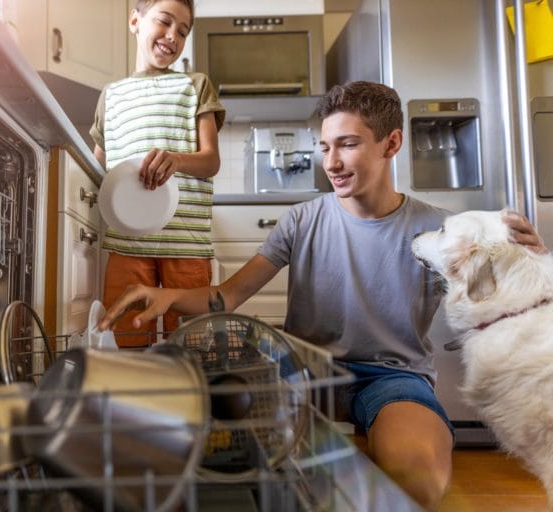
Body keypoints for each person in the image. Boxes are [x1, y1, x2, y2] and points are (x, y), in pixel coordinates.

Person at [98, 81, 548, 510]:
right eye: (325, 147)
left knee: (419, 483)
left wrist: (532, 262)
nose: (331, 162)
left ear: (391, 144)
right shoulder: (302, 220)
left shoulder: (443, 232)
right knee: (226, 457)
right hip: (302, 369)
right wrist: (164, 295)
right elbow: (226, 297)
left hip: (391, 377)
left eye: (348, 144)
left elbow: (513, 303)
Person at [89, 0, 225, 347]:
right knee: (127, 339)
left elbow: (210, 161)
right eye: (164, 22)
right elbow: (95, 168)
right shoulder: (112, 95)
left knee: (192, 344)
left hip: (186, 242)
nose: (172, 36)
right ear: (135, 21)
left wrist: (176, 161)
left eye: (182, 30)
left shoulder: (194, 86)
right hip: (127, 241)